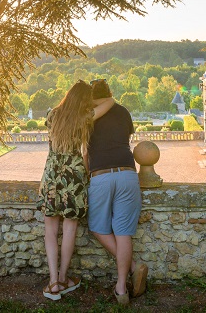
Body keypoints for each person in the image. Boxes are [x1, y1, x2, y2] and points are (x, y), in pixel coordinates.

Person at [37, 80, 115, 301]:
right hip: (74, 176)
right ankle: (63, 279)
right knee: (70, 229)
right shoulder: (84, 118)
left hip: (52, 175)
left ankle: (53, 283)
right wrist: (93, 100)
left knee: (50, 230)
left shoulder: (52, 115)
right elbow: (110, 101)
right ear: (84, 100)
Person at [85, 79, 148, 305]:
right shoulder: (123, 112)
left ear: (91, 96)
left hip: (101, 173)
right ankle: (121, 288)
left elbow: (85, 151)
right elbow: (125, 140)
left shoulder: (88, 115)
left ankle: (134, 268)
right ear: (109, 92)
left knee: (97, 227)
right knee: (123, 233)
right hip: (127, 172)